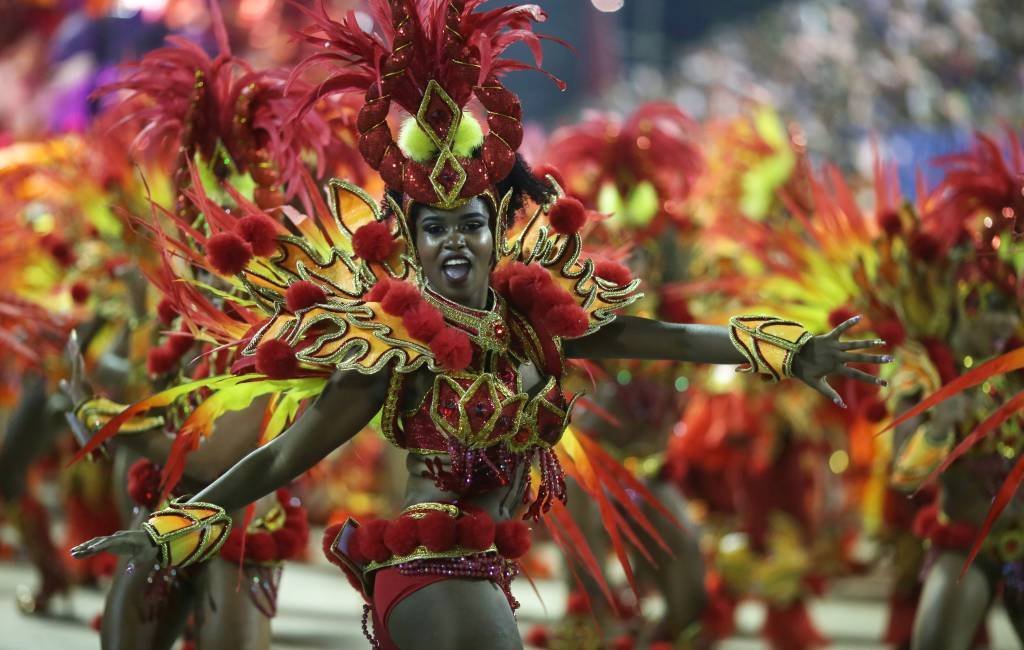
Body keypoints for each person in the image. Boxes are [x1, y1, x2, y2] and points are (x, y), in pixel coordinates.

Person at [69, 2, 889, 648]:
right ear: (409, 237)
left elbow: (667, 339)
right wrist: (183, 522)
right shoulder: (390, 341)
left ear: (498, 229)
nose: (455, 240)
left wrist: (787, 347)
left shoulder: (540, 321)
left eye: (470, 223)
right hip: (431, 574)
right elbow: (286, 452)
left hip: (482, 572)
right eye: (434, 226)